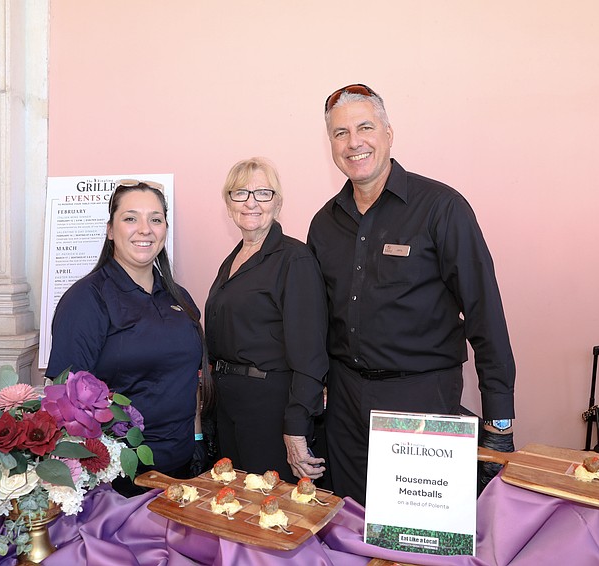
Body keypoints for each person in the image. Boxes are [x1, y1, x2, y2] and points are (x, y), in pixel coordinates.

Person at [307, 84, 516, 506]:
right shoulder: (323, 224)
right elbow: (315, 321)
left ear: (388, 133)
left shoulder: (442, 207)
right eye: (340, 133)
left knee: (417, 535)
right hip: (345, 404)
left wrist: (499, 416)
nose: (354, 142)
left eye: (364, 127)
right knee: (349, 523)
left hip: (422, 399)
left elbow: (484, 311)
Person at [46, 180, 213, 495]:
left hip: (182, 471)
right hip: (118, 477)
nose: (145, 229)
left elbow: (190, 379)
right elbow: (62, 398)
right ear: (110, 230)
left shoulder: (179, 298)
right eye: (130, 218)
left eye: (155, 219)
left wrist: (198, 442)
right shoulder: (87, 299)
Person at [205, 157, 328, 483]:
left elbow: (310, 355)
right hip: (229, 406)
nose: (251, 202)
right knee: (236, 512)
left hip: (271, 409)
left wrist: (296, 428)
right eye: (240, 193)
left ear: (278, 202)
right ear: (228, 203)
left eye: (263, 193)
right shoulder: (232, 261)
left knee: (271, 511)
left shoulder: (294, 259)